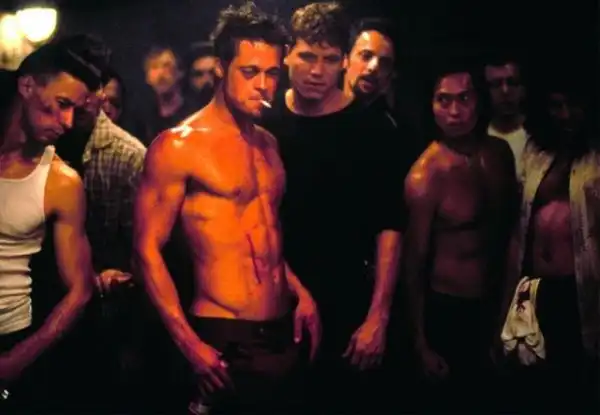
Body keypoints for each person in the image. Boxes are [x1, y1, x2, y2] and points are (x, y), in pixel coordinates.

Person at [132, 3, 320, 413]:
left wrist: (300, 292)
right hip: (222, 336)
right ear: (221, 67)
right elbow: (146, 252)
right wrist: (189, 344)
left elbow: (260, 233)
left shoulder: (268, 144)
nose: (263, 86)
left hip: (282, 330)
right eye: (250, 72)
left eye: (272, 73)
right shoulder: (178, 146)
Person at [260, 2, 412, 411]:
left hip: (348, 300)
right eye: (308, 56)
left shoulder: (372, 129)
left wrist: (378, 316)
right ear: (287, 53)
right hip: (274, 294)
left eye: (329, 60)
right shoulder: (264, 123)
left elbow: (390, 226)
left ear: (344, 60)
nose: (316, 71)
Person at [403, 58, 518, 412]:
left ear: (479, 100)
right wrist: (420, 343)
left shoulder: (500, 154)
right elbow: (414, 263)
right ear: (431, 105)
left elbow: (511, 234)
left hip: (497, 303)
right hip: (448, 312)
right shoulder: (426, 175)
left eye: (464, 98)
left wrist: (507, 311)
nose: (455, 112)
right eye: (444, 100)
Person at [0, 36, 102, 412]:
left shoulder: (61, 182)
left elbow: (80, 291)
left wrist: (16, 361)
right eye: (61, 105)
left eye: (76, 111)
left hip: (11, 336)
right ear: (27, 86)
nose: (68, 122)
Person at [499, 64, 599, 413]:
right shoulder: (535, 152)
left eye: (573, 105)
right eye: (556, 105)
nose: (565, 115)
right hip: (533, 289)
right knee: (531, 388)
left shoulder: (595, 158)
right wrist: (506, 299)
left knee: (575, 388)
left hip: (581, 291)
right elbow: (517, 230)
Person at [484, 54, 528, 178]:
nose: (505, 91)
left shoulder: (539, 139)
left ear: (523, 89)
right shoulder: (478, 141)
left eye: (512, 83)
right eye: (496, 84)